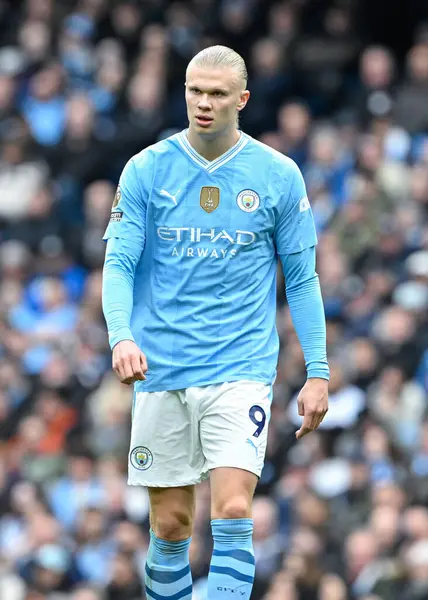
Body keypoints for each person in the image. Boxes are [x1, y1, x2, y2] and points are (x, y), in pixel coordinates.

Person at [102, 45, 329, 600]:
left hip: (240, 366)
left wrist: (318, 370)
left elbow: (301, 279)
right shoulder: (147, 169)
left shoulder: (277, 175)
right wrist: (121, 336)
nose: (203, 103)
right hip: (161, 366)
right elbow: (119, 263)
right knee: (172, 526)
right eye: (194, 91)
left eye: (217, 93)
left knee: (230, 508)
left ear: (243, 100)